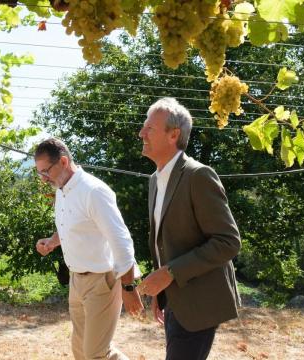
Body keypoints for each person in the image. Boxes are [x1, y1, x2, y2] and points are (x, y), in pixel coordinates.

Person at [136, 97, 241, 360]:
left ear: (174, 135)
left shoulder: (198, 176)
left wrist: (170, 273)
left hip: (199, 303)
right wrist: (162, 291)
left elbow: (228, 242)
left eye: (150, 128)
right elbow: (166, 243)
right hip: (175, 301)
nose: (141, 133)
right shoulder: (155, 180)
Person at [34, 137, 143, 360]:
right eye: (40, 173)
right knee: (81, 352)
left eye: (46, 171)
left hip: (102, 281)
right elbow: (74, 226)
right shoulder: (61, 189)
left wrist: (129, 287)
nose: (44, 178)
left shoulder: (94, 191)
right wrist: (52, 241)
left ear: (63, 162)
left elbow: (121, 240)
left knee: (96, 354)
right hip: (77, 281)